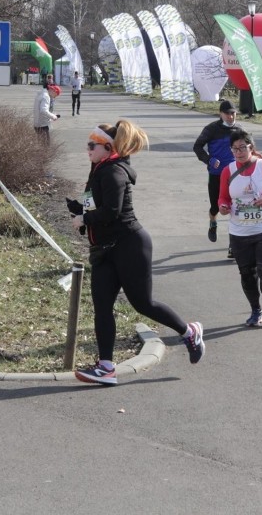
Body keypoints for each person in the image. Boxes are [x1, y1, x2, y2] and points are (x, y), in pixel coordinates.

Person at [66, 120, 205, 385]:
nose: (87, 149)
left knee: (143, 304)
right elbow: (97, 206)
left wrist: (85, 220)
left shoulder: (113, 172)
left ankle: (189, 332)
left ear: (107, 147)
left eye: (91, 145)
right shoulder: (98, 169)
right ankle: (106, 367)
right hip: (104, 249)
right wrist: (80, 211)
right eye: (87, 144)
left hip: (129, 245)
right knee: (102, 308)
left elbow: (113, 211)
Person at [218, 128, 262, 327]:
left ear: (251, 147)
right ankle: (255, 310)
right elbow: (223, 197)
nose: (239, 152)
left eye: (242, 147)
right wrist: (223, 207)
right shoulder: (227, 171)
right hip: (239, 231)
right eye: (234, 149)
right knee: (247, 274)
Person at [193, 100, 239, 258]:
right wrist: (209, 159)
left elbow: (249, 149)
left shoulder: (240, 130)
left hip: (234, 175)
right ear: (221, 114)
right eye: (227, 113)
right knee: (216, 207)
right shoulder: (211, 129)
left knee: (234, 209)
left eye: (233, 113)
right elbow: (197, 146)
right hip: (216, 174)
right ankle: (213, 222)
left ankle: (233, 246)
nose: (231, 116)